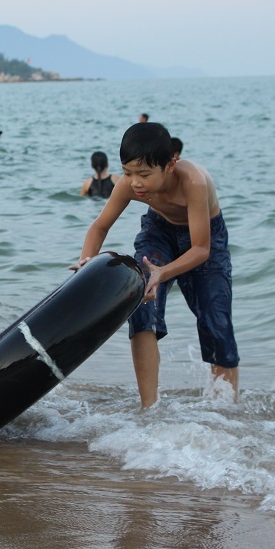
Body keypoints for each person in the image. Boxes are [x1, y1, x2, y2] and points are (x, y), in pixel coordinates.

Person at [75, 122, 239, 407]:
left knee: (216, 320)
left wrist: (163, 273)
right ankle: (149, 409)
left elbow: (201, 248)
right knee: (140, 307)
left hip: (203, 237)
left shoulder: (193, 182)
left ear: (170, 164)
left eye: (144, 174)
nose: (135, 182)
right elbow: (99, 227)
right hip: (158, 231)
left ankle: (225, 411)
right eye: (127, 172)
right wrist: (85, 264)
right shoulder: (128, 185)